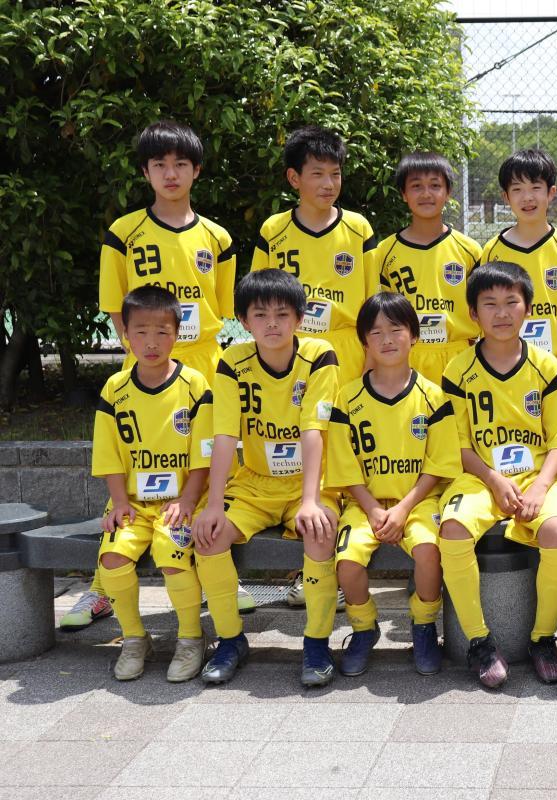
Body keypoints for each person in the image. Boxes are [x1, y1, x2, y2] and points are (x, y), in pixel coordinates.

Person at [67, 120, 246, 633]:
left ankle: (221, 577)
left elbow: (225, 308)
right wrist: (140, 352)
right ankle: (102, 588)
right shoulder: (124, 232)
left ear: (197, 171)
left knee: (217, 470)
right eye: (160, 164)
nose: (171, 173)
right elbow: (115, 306)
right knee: (134, 466)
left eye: (181, 164)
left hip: (204, 363)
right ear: (145, 172)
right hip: (145, 364)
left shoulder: (218, 237)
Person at [191, 269, 342, 687]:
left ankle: (317, 643)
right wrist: (213, 504)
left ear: (300, 318)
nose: (272, 323)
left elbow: (314, 429)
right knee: (209, 537)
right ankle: (229, 640)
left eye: (282, 314)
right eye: (260, 315)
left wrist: (310, 501)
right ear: (243, 320)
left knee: (321, 532)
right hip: (255, 482)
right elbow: (225, 435)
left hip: (309, 482)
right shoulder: (232, 361)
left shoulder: (320, 354)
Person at [251, 124, 377, 608]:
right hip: (291, 354)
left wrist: (369, 363)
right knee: (301, 441)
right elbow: (260, 297)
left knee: (340, 449)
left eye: (336, 174)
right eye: (317, 174)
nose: (328, 183)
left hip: (346, 353)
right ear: (294, 178)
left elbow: (371, 303)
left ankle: (333, 564)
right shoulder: (273, 230)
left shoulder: (359, 229)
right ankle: (298, 567)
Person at [437, 261, 557, 688]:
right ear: (473, 313)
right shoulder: (457, 370)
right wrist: (494, 480)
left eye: (511, 302)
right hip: (479, 477)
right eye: (489, 304)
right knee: (453, 527)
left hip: (538, 476)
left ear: (529, 308)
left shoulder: (549, 367)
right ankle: (479, 642)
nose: (501, 313)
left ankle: (543, 638)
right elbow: (458, 445)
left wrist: (540, 487)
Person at [326, 292, 460, 677]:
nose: (386, 339)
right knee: (347, 561)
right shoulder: (347, 397)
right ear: (364, 342)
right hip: (365, 504)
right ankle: (364, 629)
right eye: (375, 332)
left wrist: (403, 509)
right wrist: (372, 508)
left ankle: (423, 626)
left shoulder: (433, 396)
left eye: (396, 329)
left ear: (414, 335)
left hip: (418, 503)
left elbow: (439, 464)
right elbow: (344, 466)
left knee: (429, 551)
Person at [90, 286, 213, 682]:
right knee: (112, 559)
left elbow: (205, 455)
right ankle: (134, 638)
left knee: (171, 555)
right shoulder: (115, 389)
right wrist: (118, 502)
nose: (152, 342)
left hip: (183, 501)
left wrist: (188, 500)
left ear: (178, 333)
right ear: (125, 334)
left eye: (162, 332)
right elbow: (108, 454)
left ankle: (191, 638)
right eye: (141, 332)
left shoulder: (195, 385)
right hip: (132, 502)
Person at [479, 149, 557, 379]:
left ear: (551, 192)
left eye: (535, 187)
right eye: (517, 189)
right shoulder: (492, 251)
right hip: (508, 366)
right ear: (506, 197)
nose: (527, 197)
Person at [378, 152, 482, 379]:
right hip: (405, 356)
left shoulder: (470, 251)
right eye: (416, 186)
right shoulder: (385, 252)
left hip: (460, 356)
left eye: (435, 185)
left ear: (448, 192)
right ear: (403, 194)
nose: (426, 194)